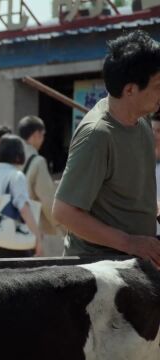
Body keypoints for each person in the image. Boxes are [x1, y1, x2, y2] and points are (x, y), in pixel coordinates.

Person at [52, 30, 160, 268]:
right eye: (157, 85)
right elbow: (63, 212)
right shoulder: (97, 135)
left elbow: (129, 194)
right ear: (130, 90)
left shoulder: (141, 122)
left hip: (133, 268)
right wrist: (130, 242)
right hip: (96, 276)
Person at [0, 134, 42, 258]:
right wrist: (37, 237)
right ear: (18, 154)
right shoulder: (16, 176)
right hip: (14, 237)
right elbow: (23, 208)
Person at [17, 115, 59, 239]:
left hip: (2, 226)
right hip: (28, 227)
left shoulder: (7, 157)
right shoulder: (37, 162)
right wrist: (61, 225)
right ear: (36, 134)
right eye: (43, 134)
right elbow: (47, 200)